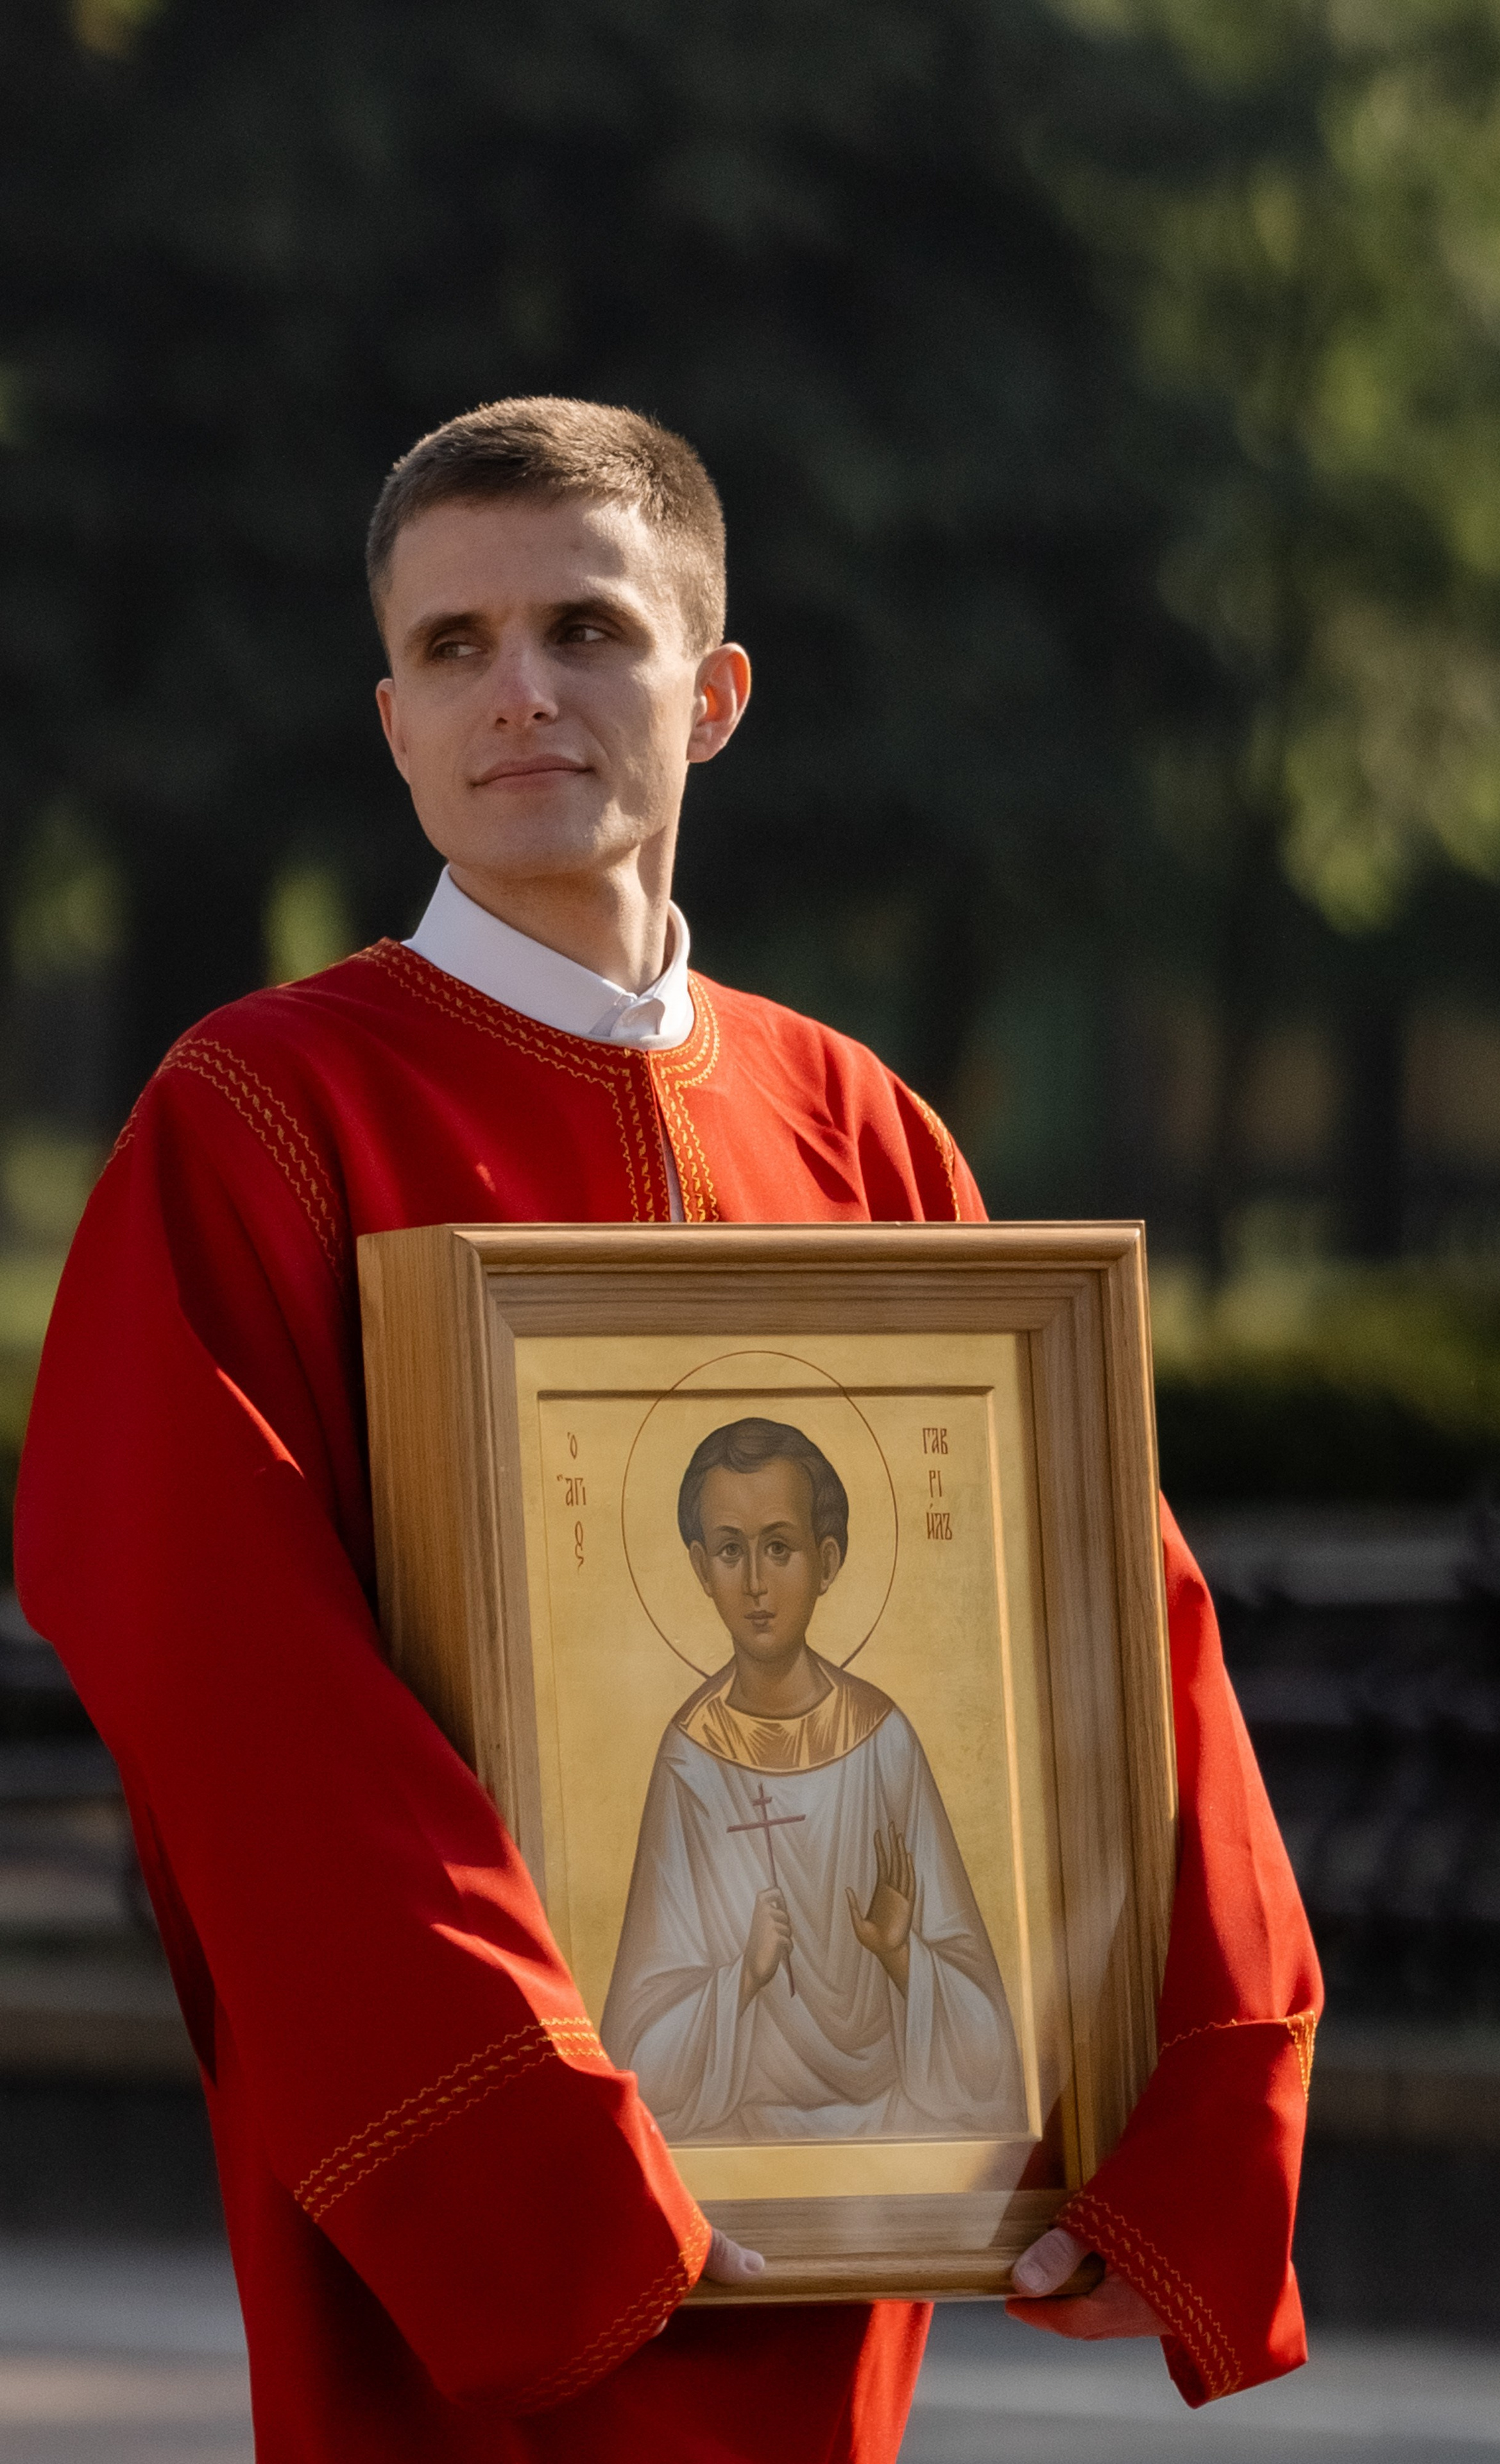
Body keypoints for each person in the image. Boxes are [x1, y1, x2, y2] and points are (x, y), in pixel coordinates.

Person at [15, 397, 1322, 2463]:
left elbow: (1111, 1617)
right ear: (391, 718)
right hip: (473, 2244)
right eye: (452, 647)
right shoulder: (264, 1114)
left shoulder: (858, 1123)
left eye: (584, 630)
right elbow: (223, 1668)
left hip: (846, 2196)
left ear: (708, 694)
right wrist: (535, 2130)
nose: (517, 693)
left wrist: (1172, 2097)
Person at [601, 1417, 1028, 2142]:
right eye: (731, 1552)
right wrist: (741, 1975)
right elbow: (636, 2061)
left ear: (826, 1561)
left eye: (780, 1546)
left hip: (896, 2141)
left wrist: (901, 1954)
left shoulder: (883, 1743)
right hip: (734, 2149)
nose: (757, 1583)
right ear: (701, 1569)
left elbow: (989, 2056)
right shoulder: (689, 1762)